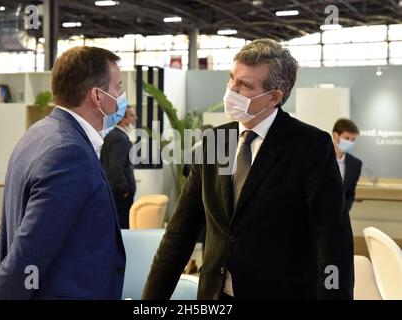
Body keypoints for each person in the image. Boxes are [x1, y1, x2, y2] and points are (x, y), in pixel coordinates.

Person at [142, 39, 354, 300]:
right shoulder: (216, 142)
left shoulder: (309, 147)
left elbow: (332, 241)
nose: (232, 89)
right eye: (232, 79)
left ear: (274, 97)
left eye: (244, 86)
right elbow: (180, 233)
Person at [0, 46, 126, 300]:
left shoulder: (38, 133)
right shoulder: (69, 153)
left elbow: (6, 237)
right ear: (97, 95)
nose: (121, 96)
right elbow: (28, 252)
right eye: (118, 88)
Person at [100, 106, 137, 229]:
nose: (135, 118)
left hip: (115, 192)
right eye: (132, 115)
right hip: (120, 194)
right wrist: (125, 189)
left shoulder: (113, 136)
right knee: (122, 228)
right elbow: (115, 167)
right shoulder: (119, 138)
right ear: (122, 118)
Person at [332, 118, 362, 216]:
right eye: (347, 138)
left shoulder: (355, 164)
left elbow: (350, 193)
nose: (350, 142)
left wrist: (344, 211)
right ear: (336, 136)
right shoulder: (320, 157)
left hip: (341, 218)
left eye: (353, 139)